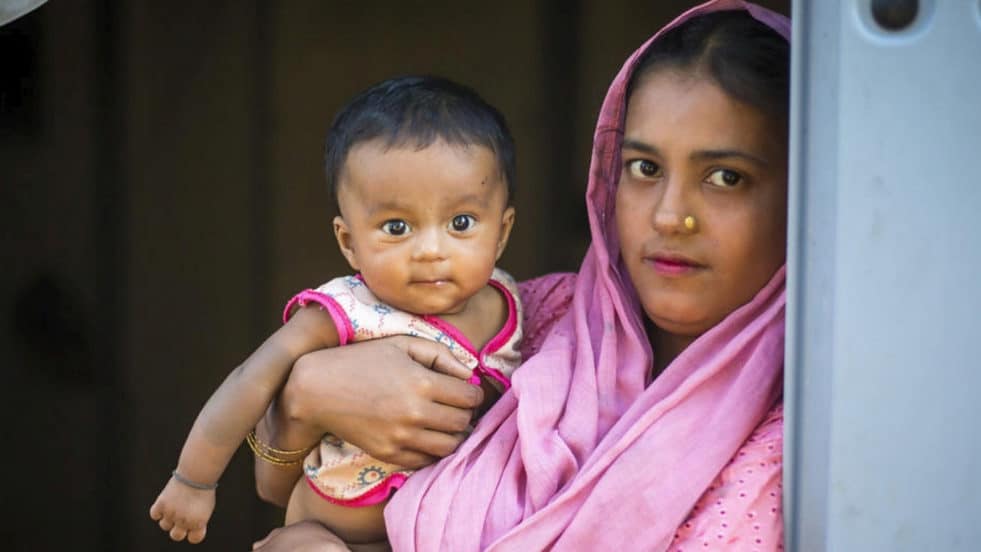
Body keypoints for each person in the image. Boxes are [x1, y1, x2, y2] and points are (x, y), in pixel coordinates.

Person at [253, 0, 790, 549]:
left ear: (804, 190)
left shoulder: (808, 441)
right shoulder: (530, 316)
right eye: (644, 169)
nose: (670, 216)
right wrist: (303, 397)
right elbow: (289, 488)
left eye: (727, 177)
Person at [149, 75, 522, 546]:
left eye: (460, 223)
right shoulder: (349, 309)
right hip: (328, 531)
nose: (430, 249)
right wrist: (193, 481)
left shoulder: (517, 306)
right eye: (396, 226)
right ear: (349, 242)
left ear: (502, 231)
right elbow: (251, 378)